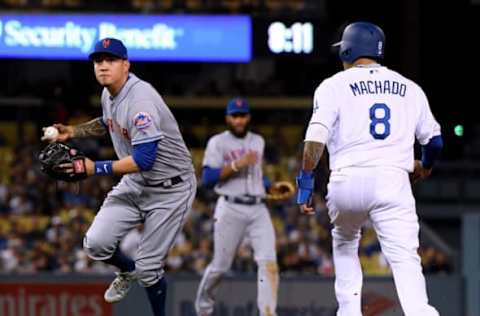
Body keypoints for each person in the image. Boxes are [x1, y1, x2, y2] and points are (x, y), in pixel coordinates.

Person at [295, 22, 443, 316]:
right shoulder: (409, 88)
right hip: (392, 180)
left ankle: (348, 311)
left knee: (345, 240)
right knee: (404, 258)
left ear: (348, 49)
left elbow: (314, 139)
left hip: (346, 179)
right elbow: (435, 141)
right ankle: (420, 311)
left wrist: (306, 182)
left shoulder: (333, 85)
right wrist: (424, 166)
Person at [44, 38, 196, 316]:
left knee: (149, 269)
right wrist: (74, 131)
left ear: (126, 65)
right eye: (98, 61)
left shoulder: (141, 102)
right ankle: (127, 271)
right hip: (137, 183)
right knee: (96, 244)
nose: (103, 66)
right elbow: (107, 122)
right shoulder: (110, 94)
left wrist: (94, 168)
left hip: (170, 189)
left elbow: (144, 160)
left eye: (111, 60)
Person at [195, 98, 279, 316]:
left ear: (249, 117)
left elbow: (257, 177)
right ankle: (203, 309)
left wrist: (271, 187)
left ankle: (268, 313)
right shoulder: (218, 143)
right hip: (230, 207)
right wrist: (236, 164)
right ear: (227, 118)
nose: (239, 120)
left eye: (242, 115)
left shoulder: (258, 141)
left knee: (268, 262)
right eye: (235, 116)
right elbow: (208, 178)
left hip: (258, 208)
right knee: (220, 267)